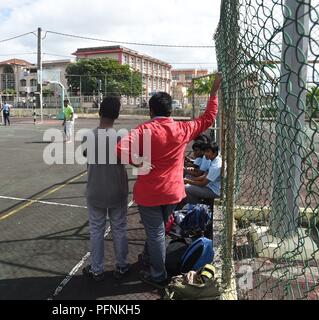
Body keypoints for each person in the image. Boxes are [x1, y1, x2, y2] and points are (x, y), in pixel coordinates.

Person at [116, 74, 222, 288]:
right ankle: (149, 259)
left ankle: (158, 275)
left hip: (150, 193)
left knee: (155, 232)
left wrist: (137, 160)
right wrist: (213, 94)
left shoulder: (144, 130)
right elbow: (207, 119)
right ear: (171, 111)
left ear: (151, 111)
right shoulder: (181, 129)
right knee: (160, 228)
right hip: (173, 191)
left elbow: (119, 149)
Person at [81, 96, 130, 282]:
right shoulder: (121, 136)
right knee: (119, 228)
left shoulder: (88, 135)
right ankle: (122, 265)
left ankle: (97, 269)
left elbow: (86, 154)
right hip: (117, 189)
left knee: (96, 230)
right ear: (116, 115)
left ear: (100, 112)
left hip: (95, 189)